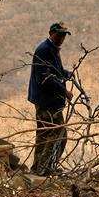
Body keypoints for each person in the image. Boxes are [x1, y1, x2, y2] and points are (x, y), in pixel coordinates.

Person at [28, 22, 74, 175]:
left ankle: (39, 168)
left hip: (47, 101)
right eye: (59, 34)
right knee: (58, 134)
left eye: (63, 35)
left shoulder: (51, 49)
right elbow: (45, 79)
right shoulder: (44, 50)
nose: (61, 38)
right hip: (47, 102)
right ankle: (45, 168)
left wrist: (65, 73)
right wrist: (64, 91)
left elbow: (54, 71)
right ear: (51, 33)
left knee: (44, 134)